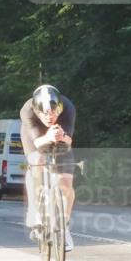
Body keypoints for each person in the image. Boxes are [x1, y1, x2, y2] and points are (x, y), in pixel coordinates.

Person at [20, 84, 76, 251]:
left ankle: (64, 227)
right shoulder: (28, 111)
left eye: (53, 112)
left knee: (65, 183)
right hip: (35, 138)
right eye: (45, 113)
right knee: (37, 162)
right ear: (37, 111)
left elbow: (69, 142)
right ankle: (34, 212)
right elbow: (37, 143)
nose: (50, 116)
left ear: (59, 108)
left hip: (59, 136)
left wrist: (61, 137)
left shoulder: (68, 108)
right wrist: (48, 137)